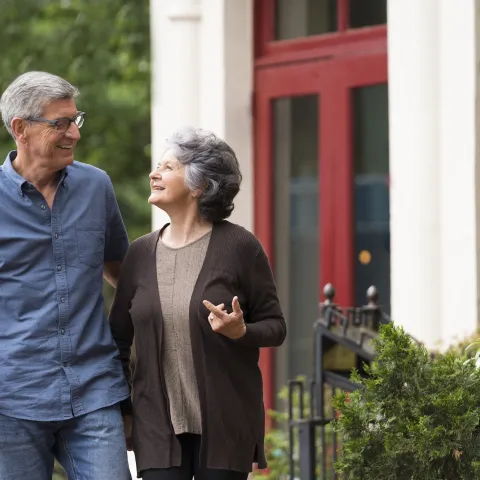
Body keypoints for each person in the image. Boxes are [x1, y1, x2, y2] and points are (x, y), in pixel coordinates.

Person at [109, 127, 287, 480]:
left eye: (168, 167)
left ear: (199, 186)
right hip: (156, 425)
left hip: (225, 423)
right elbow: (117, 342)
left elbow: (276, 327)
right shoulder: (140, 254)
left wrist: (241, 331)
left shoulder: (240, 247)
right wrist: (124, 410)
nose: (154, 174)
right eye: (157, 166)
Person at [0, 71, 132, 480]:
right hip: (11, 397)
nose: (74, 133)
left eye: (76, 120)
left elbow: (121, 273)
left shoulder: (97, 186)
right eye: (60, 123)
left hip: (94, 388)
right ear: (20, 128)